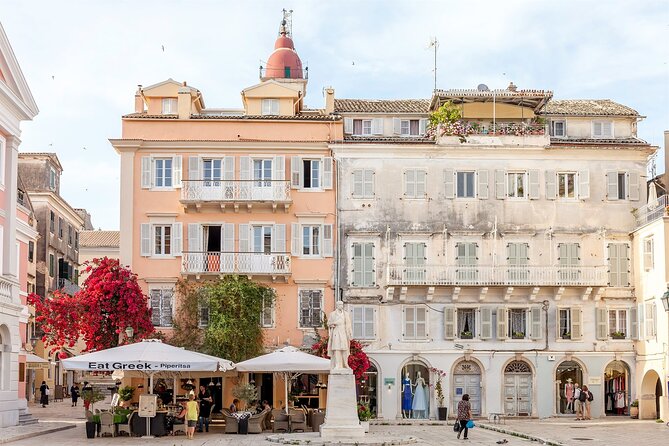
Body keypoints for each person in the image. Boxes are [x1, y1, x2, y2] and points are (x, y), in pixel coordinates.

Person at [327, 300, 352, 371]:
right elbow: (328, 323)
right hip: (336, 332)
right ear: (337, 306)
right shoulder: (332, 314)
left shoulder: (346, 314)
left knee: (345, 349)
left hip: (344, 332)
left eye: (342, 305)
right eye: (340, 305)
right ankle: (338, 365)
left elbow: (349, 324)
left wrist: (350, 333)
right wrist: (333, 323)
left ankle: (345, 364)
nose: (341, 306)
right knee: (337, 349)